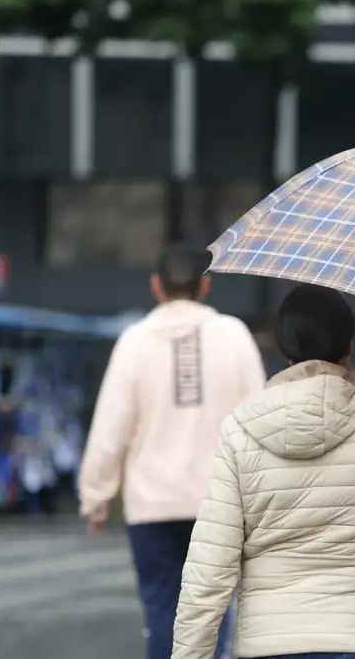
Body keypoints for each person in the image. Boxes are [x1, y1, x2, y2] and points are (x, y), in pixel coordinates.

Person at [172, 284, 355, 659]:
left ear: (284, 347)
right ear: (349, 347)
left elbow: (210, 566)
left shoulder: (241, 427)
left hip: (269, 644)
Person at [78, 243, 265, 659]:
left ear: (155, 286)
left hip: (152, 504)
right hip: (220, 501)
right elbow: (259, 419)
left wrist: (96, 496)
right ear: (206, 285)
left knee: (163, 611)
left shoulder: (134, 341)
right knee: (214, 613)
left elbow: (111, 428)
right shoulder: (234, 335)